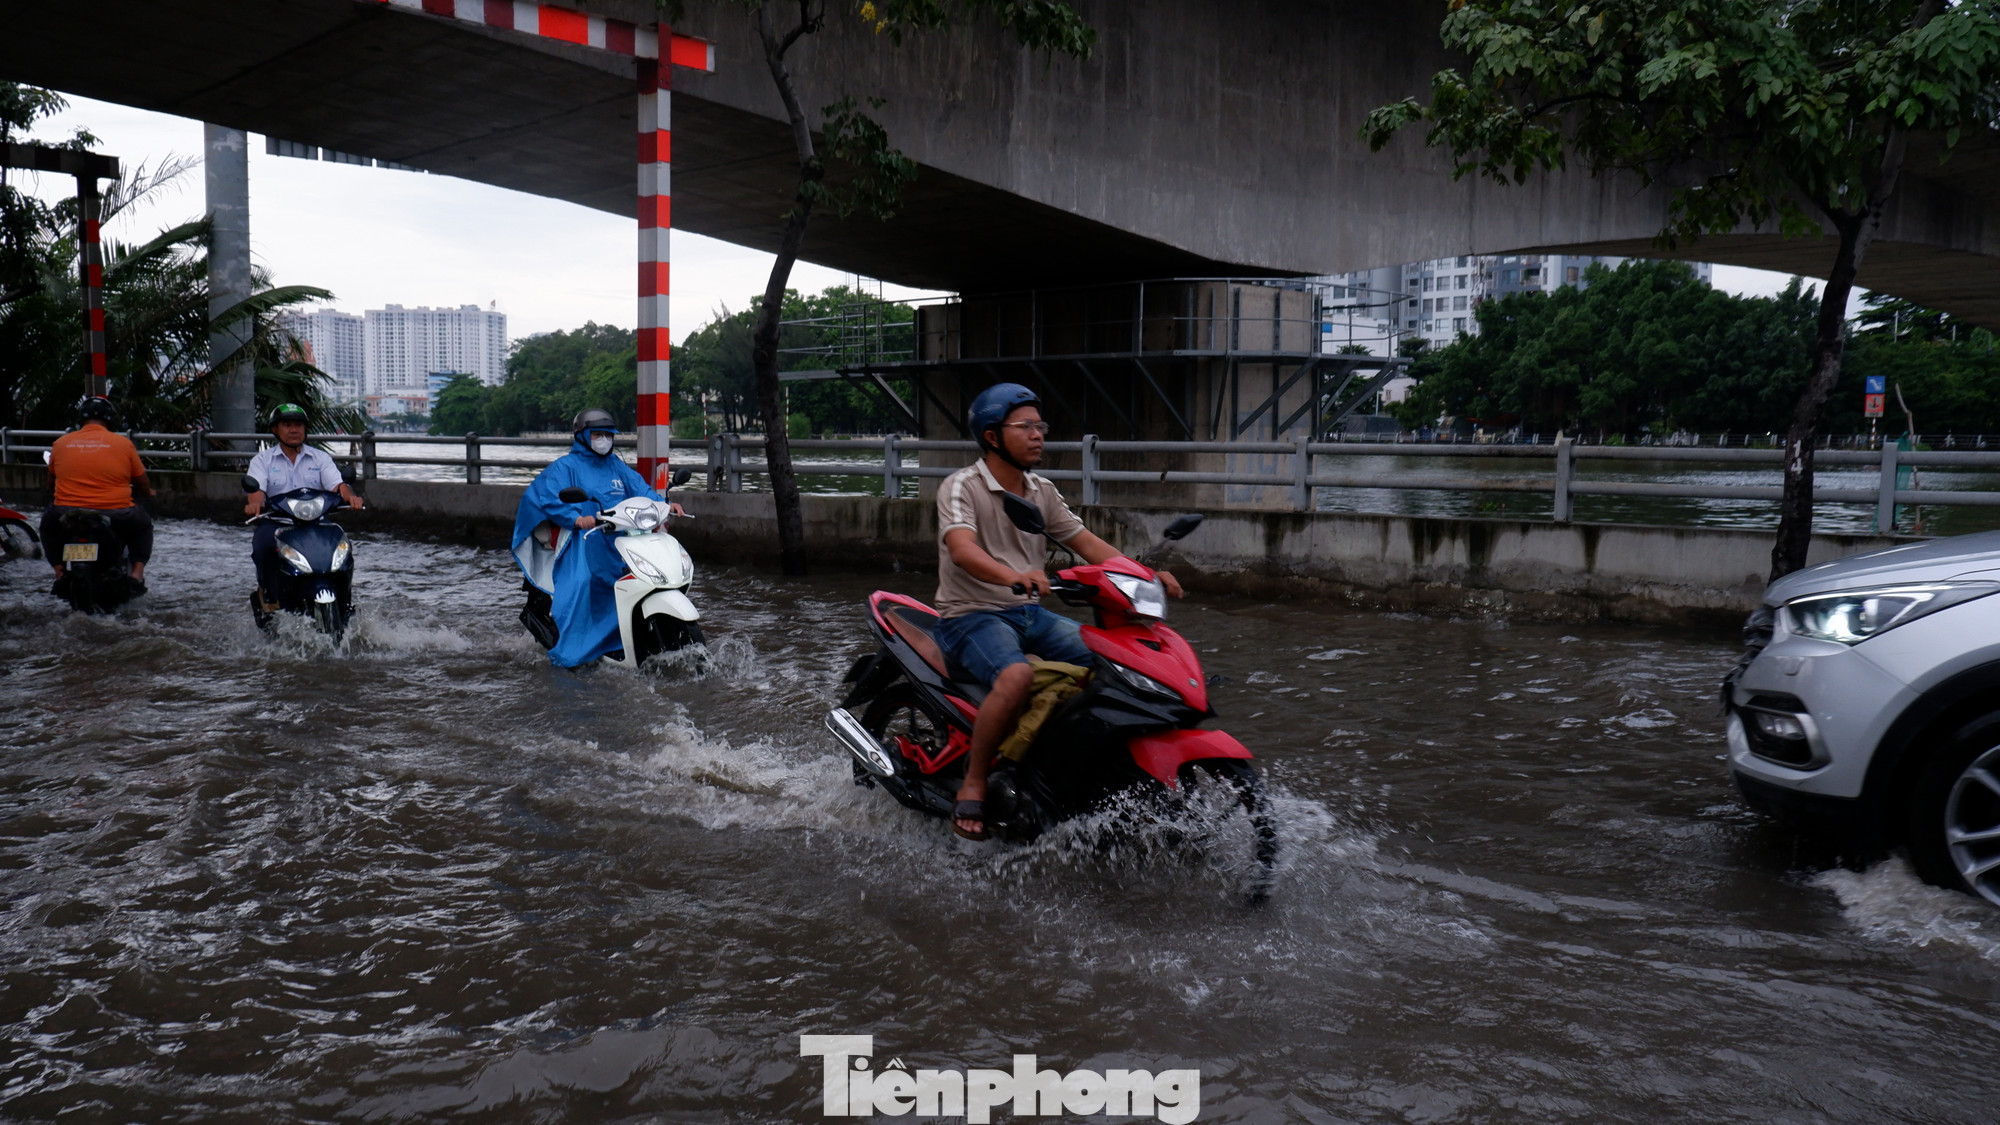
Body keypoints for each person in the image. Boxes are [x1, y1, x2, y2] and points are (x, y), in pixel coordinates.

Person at [935, 383, 1183, 841]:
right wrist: (1011, 575)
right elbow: (963, 550)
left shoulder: (1040, 490)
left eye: (1040, 426)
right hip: (971, 615)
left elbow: (1087, 545)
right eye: (1025, 427)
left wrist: (1145, 574)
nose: (1038, 435)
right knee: (1016, 677)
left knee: (1118, 663)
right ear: (992, 437)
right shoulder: (961, 487)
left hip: (1030, 614)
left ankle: (1080, 768)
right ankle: (973, 779)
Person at [511, 408, 681, 667]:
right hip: (584, 543)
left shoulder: (616, 466)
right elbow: (543, 496)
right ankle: (575, 654)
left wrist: (664, 505)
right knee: (583, 585)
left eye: (607, 434)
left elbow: (641, 490)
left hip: (622, 542)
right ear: (582, 436)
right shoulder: (566, 467)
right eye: (597, 434)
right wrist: (575, 517)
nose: (604, 439)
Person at [244, 403, 364, 612]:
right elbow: (257, 490)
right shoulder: (262, 460)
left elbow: (338, 485)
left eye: (298, 425)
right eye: (287, 425)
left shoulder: (320, 458)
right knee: (263, 546)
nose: (294, 430)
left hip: (316, 522)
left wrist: (351, 498)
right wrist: (254, 504)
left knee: (342, 545)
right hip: (277, 522)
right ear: (275, 429)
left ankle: (345, 600)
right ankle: (269, 595)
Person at [43, 395, 155, 594]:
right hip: (116, 511)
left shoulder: (60, 444)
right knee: (144, 527)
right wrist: (148, 492)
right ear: (109, 419)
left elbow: (50, 483)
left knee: (47, 527)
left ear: (80, 419)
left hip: (67, 512)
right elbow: (141, 480)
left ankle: (60, 573)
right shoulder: (123, 444)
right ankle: (136, 574)